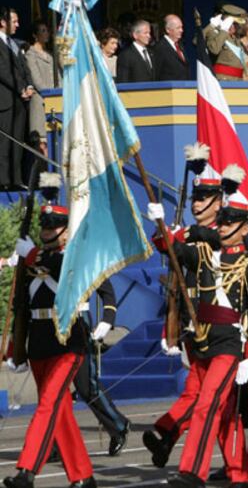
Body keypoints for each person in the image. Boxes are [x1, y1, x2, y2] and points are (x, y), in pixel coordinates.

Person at [148, 182, 248, 488]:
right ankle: (241, 474)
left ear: (244, 229)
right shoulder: (203, 254)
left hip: (230, 343)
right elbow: (173, 251)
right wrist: (159, 224)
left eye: (231, 223)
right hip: (202, 340)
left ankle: (192, 472)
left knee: (207, 404)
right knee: (225, 411)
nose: (224, 227)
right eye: (223, 221)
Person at [4, 192, 97, 487]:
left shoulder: (73, 254)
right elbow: (20, 304)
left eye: (54, 226)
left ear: (66, 230)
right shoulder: (32, 261)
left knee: (47, 405)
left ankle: (27, 470)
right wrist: (13, 348)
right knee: (61, 412)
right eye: (44, 226)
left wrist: (32, 255)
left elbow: (68, 273)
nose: (47, 231)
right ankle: (83, 476)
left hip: (68, 342)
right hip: (40, 344)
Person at [73, 280, 131, 457]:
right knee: (52, 391)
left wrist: (107, 320)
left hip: (78, 324)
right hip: (50, 326)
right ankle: (54, 443)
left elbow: (107, 292)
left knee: (86, 386)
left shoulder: (85, 257)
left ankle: (118, 426)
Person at [0, 7, 34, 189]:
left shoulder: (15, 44)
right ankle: (3, 180)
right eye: (14, 21)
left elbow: (24, 68)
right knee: (5, 142)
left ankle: (16, 179)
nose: (17, 25)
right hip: (5, 99)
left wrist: (28, 85)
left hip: (20, 100)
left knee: (18, 141)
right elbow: (3, 71)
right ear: (3, 22)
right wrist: (20, 88)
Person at [25, 20, 56, 156]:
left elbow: (58, 76)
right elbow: (36, 79)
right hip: (40, 101)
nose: (46, 34)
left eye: (47, 30)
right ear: (35, 35)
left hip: (53, 102)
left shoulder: (49, 54)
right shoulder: (31, 55)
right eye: (43, 31)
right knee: (41, 145)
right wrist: (49, 94)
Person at [203, 4, 246, 81]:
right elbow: (214, 49)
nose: (238, 27)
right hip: (223, 80)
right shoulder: (215, 33)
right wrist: (213, 26)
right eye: (235, 24)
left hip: (238, 80)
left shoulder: (235, 38)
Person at [153, 14, 190, 80]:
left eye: (182, 27)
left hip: (184, 88)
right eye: (178, 28)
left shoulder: (179, 45)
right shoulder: (160, 48)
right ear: (168, 30)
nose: (181, 30)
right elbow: (156, 74)